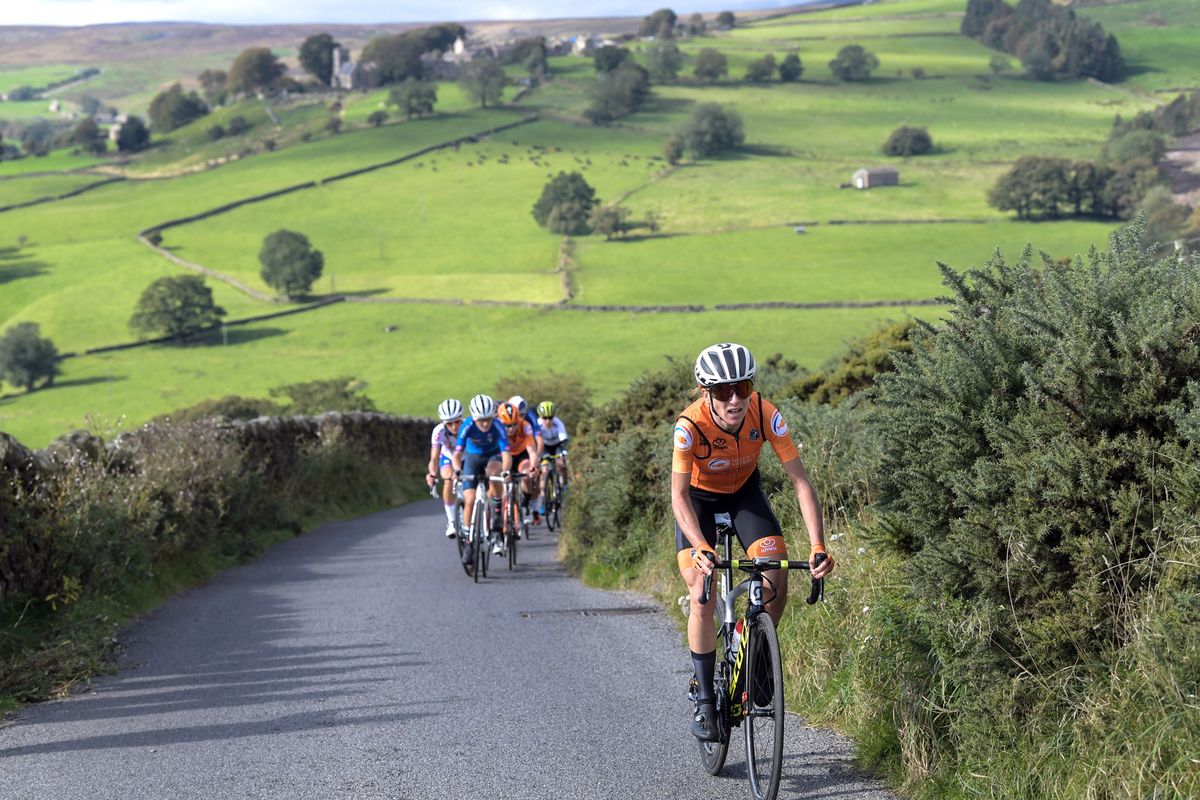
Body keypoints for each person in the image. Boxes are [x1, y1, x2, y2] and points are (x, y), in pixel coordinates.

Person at [672, 342, 835, 742]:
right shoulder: (688, 427)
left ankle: (757, 655)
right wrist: (700, 545)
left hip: (745, 495)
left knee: (777, 576)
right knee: (702, 594)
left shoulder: (765, 413)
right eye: (723, 390)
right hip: (699, 502)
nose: (734, 399)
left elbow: (801, 483)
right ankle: (706, 697)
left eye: (742, 388)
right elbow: (677, 497)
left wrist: (817, 545)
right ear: (704, 391)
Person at [451, 394, 511, 566]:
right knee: (469, 499)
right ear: (474, 418)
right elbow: (457, 454)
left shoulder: (498, 426)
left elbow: (506, 454)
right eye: (481, 421)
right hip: (472, 458)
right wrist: (457, 470)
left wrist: (506, 471)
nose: (485, 424)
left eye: (488, 420)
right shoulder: (467, 425)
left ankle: (497, 508)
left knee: (495, 472)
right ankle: (469, 540)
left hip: (493, 456)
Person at [496, 401, 541, 548]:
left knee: (526, 473)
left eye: (513, 424)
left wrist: (533, 467)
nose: (511, 429)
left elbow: (532, 451)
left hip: (521, 455)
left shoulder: (525, 426)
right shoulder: (495, 428)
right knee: (501, 487)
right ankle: (500, 522)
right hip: (503, 456)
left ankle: (526, 503)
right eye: (507, 426)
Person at [426, 398, 464, 538]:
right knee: (448, 479)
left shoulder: (469, 427)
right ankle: (452, 521)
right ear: (444, 423)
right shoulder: (438, 431)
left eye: (457, 422)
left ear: (462, 419)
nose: (454, 426)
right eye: (449, 423)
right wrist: (432, 473)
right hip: (448, 458)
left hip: (466, 458)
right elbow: (435, 458)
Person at [536, 400, 569, 518]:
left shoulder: (558, 424)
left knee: (561, 463)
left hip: (557, 446)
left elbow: (564, 441)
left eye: (550, 418)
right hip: (544, 447)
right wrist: (539, 456)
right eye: (545, 418)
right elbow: (536, 441)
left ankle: (564, 484)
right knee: (544, 471)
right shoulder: (538, 425)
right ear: (541, 417)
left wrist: (562, 453)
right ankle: (544, 501)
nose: (548, 421)